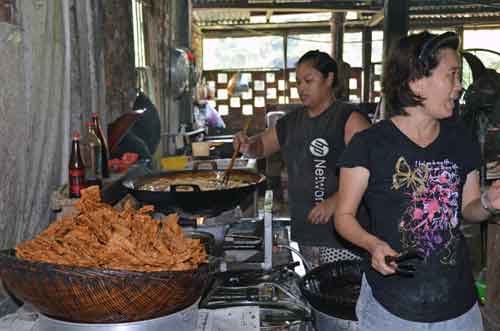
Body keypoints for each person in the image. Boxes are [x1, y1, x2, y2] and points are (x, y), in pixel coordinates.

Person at [335, 31, 500, 330]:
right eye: (451, 75)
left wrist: (488, 202)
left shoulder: (460, 138)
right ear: (415, 81)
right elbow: (343, 216)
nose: (459, 86)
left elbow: (468, 208)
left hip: (457, 305)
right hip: (391, 307)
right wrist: (372, 245)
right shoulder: (369, 144)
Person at [234, 50, 371, 268]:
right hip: (306, 231)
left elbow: (372, 169)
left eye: (309, 81)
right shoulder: (291, 122)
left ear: (329, 79)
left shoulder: (349, 118)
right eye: (298, 82)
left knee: (338, 295)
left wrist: (335, 202)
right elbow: (259, 147)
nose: (301, 88)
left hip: (342, 234)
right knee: (314, 291)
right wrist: (246, 145)